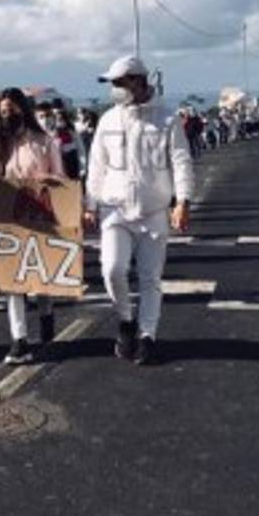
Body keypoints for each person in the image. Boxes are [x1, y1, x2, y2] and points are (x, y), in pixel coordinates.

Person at [84, 55, 195, 366]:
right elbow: (96, 167)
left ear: (138, 81)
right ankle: (125, 319)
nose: (115, 89)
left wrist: (183, 201)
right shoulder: (108, 120)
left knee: (150, 279)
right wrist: (89, 203)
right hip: (114, 208)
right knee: (112, 269)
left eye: (119, 83)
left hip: (153, 209)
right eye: (112, 84)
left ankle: (147, 336)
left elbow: (182, 162)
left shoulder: (167, 118)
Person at [0, 88, 65, 364]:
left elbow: (61, 179)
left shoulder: (43, 141)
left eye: (12, 109)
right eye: (3, 111)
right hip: (9, 218)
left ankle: (46, 312)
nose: (7, 115)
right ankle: (18, 339)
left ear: (23, 109)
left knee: (39, 276)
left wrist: (46, 179)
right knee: (13, 282)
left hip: (40, 216)